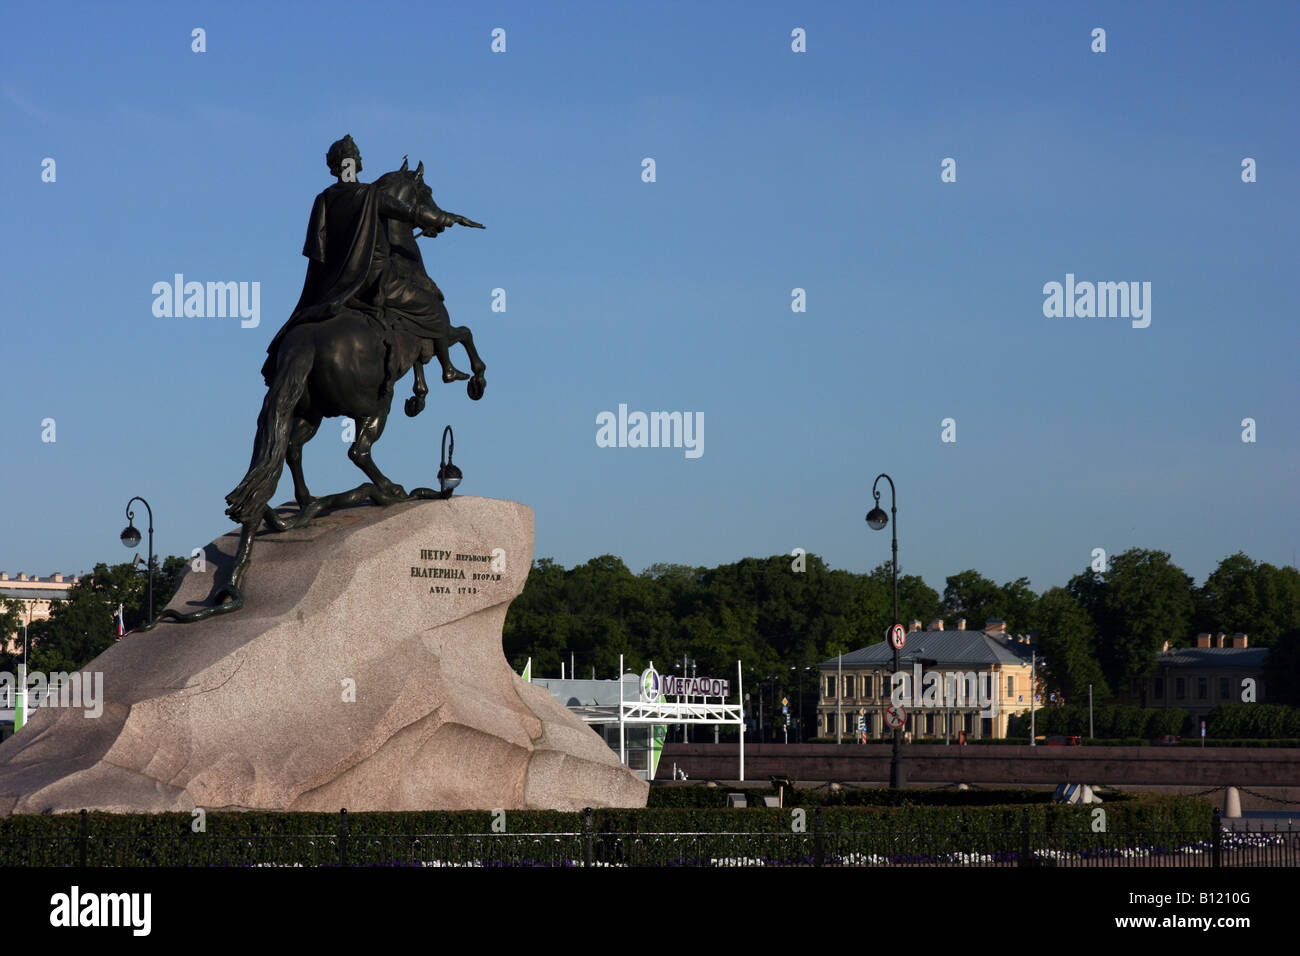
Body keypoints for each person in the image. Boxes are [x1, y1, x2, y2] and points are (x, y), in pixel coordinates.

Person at [261, 135, 473, 389]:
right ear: (355, 165)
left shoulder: (323, 199)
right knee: (434, 309)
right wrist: (448, 218)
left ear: (334, 167)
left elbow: (316, 251)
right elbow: (411, 212)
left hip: (332, 286)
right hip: (374, 281)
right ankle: (446, 368)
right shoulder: (369, 195)